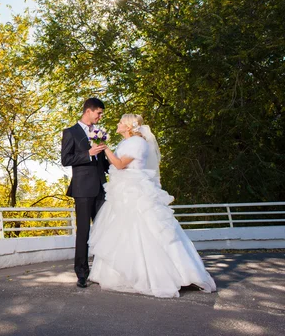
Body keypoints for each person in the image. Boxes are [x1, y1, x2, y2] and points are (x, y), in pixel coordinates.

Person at [88, 114, 216, 298]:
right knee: (124, 231)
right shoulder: (126, 142)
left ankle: (169, 276)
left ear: (129, 126)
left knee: (145, 229)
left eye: (121, 122)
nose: (118, 124)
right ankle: (123, 273)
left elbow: (120, 164)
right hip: (123, 190)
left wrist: (104, 147)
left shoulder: (137, 143)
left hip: (135, 191)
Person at [61, 98, 110, 288]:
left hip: (101, 188)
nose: (100, 117)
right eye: (98, 113)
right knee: (84, 231)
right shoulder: (70, 132)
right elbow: (66, 159)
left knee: (103, 230)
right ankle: (81, 272)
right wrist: (88, 153)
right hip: (82, 189)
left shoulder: (100, 132)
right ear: (88, 111)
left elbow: (103, 162)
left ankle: (101, 271)